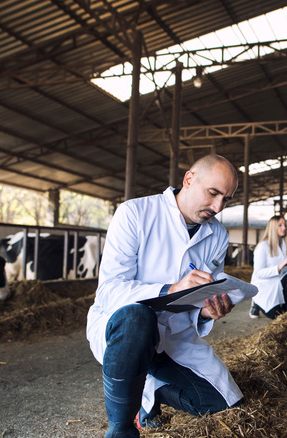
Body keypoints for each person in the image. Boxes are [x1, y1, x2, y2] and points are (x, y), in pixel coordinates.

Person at [86, 154, 241, 438]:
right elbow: (109, 290)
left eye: (226, 199)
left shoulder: (217, 235)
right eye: (213, 193)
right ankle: (121, 428)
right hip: (124, 333)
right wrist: (169, 289)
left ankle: (150, 389)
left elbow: (199, 297)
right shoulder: (135, 213)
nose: (218, 207)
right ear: (189, 180)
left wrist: (206, 311)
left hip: (175, 336)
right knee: (137, 317)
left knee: (225, 406)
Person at [248, 215, 287, 319]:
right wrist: (278, 267)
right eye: (280, 225)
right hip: (264, 285)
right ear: (273, 227)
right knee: (275, 316)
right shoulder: (262, 247)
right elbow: (258, 273)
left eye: (285, 225)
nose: (284, 228)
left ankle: (285, 309)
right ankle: (256, 302)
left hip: (279, 282)